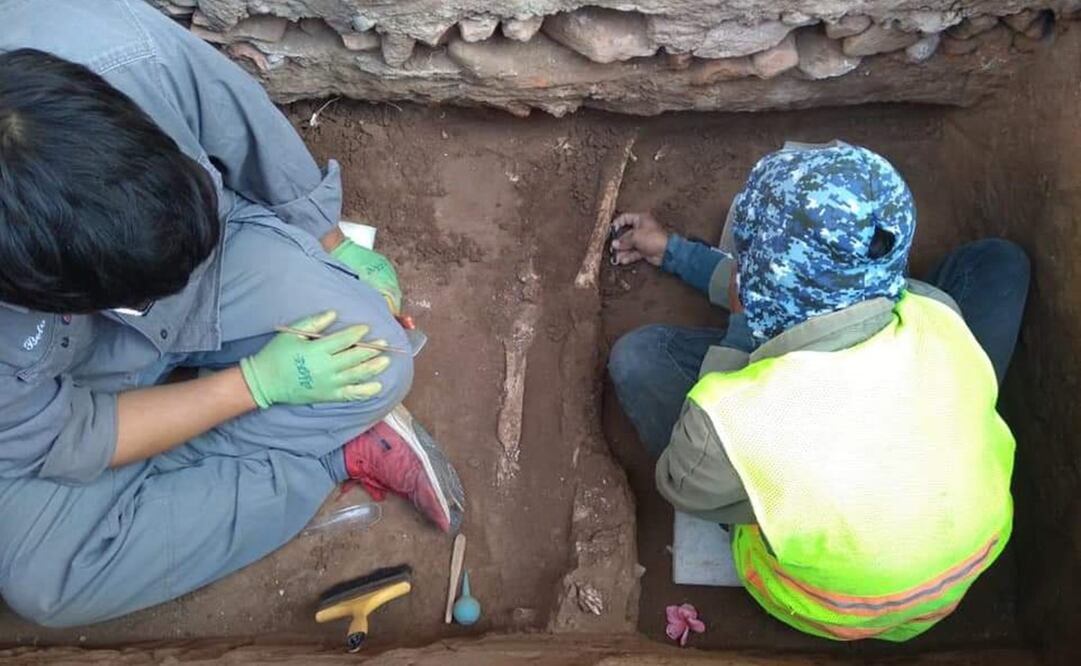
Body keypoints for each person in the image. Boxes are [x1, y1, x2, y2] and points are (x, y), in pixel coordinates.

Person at [0, 0, 461, 628]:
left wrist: (332, 242)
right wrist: (254, 385)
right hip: (65, 392)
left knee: (378, 358)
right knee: (46, 580)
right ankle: (328, 456)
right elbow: (68, 433)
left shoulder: (111, 46)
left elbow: (239, 120)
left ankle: (182, 482)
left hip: (212, 262)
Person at [608, 141, 1029, 641]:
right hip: (961, 560)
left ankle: (770, 537)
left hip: (830, 603)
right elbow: (794, 289)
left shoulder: (734, 420)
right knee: (998, 265)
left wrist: (740, 330)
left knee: (639, 359)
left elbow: (682, 484)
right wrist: (677, 253)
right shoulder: (936, 313)